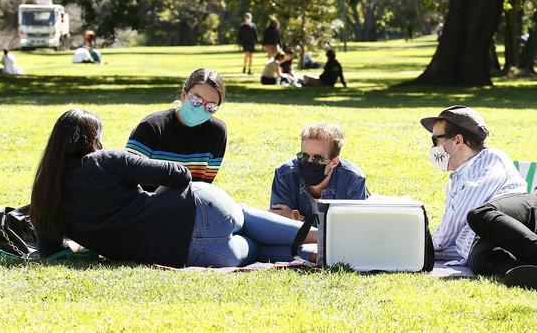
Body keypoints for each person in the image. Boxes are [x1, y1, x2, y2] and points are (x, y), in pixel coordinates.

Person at [29, 109, 317, 268]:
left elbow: (49, 252)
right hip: (199, 208)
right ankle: (324, 235)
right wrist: (156, 198)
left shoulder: (44, 197)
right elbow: (179, 174)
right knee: (243, 218)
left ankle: (312, 255)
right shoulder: (106, 160)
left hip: (195, 255)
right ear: (92, 140)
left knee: (255, 250)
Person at [420, 105, 537, 291]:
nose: (433, 148)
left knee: (479, 214)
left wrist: (425, 246)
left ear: (457, 141)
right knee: (479, 260)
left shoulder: (490, 160)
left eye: (435, 139)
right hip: (490, 237)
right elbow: (455, 237)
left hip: (527, 214)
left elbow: (459, 219)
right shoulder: (457, 177)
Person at [126, 68, 227, 189]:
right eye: (196, 99)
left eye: (211, 106)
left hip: (190, 202)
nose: (201, 108)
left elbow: (204, 186)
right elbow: (127, 178)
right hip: (145, 204)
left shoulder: (217, 132)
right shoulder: (151, 127)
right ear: (184, 95)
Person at [270, 123, 367, 222]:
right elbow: (280, 226)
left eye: (318, 158)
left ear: (334, 162)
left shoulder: (353, 179)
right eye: (304, 156)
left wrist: (300, 219)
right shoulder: (285, 175)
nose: (309, 162)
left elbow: (352, 228)